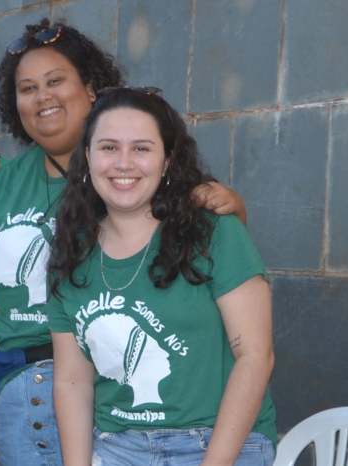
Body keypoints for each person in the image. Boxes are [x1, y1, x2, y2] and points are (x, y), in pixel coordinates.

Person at [0, 19, 248, 466]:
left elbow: (214, 237)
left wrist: (230, 203)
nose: (42, 97)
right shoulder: (4, 185)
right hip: (12, 374)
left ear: (92, 88)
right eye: (26, 88)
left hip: (96, 380)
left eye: (55, 81)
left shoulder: (128, 173)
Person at [47, 87, 276, 465]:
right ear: (86, 157)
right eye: (108, 147)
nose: (124, 163)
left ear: (167, 161)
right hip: (117, 444)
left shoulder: (214, 233)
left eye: (141, 148)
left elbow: (255, 356)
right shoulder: (70, 252)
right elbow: (72, 379)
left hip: (218, 441)